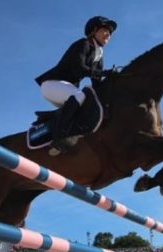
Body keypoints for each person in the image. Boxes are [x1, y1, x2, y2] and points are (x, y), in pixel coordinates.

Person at [35, 16, 117, 154]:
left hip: (65, 88)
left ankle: (48, 123)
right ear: (94, 30)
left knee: (88, 104)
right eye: (104, 30)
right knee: (80, 95)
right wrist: (103, 73)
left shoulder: (99, 55)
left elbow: (97, 83)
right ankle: (59, 137)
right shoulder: (83, 44)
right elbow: (79, 68)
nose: (108, 34)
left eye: (110, 32)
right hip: (52, 84)